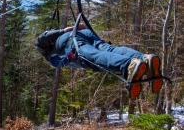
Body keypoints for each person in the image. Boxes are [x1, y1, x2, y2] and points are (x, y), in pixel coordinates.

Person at [35, 25, 163, 99]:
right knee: (110, 49)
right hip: (84, 34)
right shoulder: (54, 55)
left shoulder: (50, 55)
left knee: (93, 56)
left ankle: (128, 65)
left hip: (70, 40)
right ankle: (144, 58)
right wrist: (69, 29)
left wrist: (64, 31)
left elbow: (41, 39)